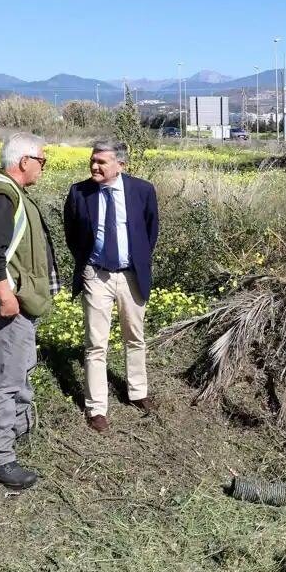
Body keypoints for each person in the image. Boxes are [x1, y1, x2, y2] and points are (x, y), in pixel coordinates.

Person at [0, 132, 60, 489]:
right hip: (6, 307)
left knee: (17, 372)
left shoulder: (8, 193)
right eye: (42, 161)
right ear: (24, 161)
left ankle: (14, 436)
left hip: (15, 304)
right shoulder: (2, 195)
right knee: (4, 381)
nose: (43, 168)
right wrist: (6, 296)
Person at [63, 140, 160, 431]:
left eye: (101, 162)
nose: (94, 166)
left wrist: (136, 260)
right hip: (97, 275)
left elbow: (150, 231)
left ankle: (138, 392)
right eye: (92, 160)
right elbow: (72, 234)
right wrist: (89, 264)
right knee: (96, 343)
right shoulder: (79, 192)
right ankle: (96, 409)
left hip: (131, 275)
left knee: (135, 336)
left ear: (120, 164)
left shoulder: (142, 191)